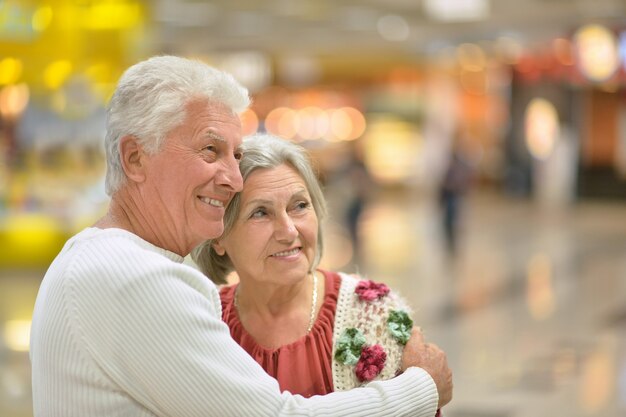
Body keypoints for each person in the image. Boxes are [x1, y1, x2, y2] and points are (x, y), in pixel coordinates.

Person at [29, 55, 452, 416]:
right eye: (209, 151)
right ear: (135, 158)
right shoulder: (135, 279)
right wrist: (421, 387)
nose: (232, 179)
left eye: (235, 155)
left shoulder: (94, 257)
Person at [192, 133, 446, 416]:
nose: (289, 231)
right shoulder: (202, 321)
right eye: (260, 213)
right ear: (218, 235)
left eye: (299, 205)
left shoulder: (373, 314)